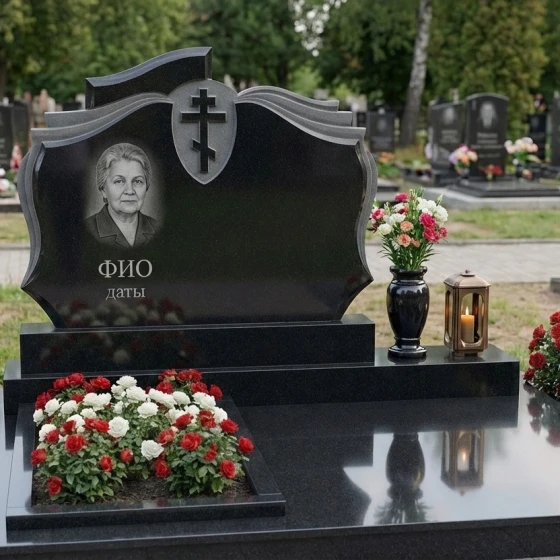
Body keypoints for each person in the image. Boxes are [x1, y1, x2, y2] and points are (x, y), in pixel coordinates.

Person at [84, 143, 158, 248]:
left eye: (137, 181)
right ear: (103, 189)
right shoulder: (85, 230)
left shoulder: (158, 228)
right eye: (119, 181)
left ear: (146, 187)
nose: (130, 191)